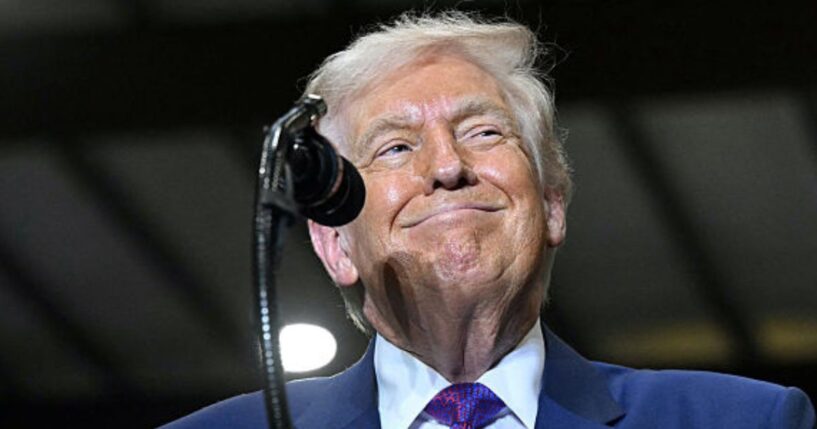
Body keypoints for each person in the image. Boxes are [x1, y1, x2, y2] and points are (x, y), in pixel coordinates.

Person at [163, 12, 815, 429]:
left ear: (552, 204)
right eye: (395, 146)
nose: (447, 166)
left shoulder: (739, 418)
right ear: (335, 242)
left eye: (483, 131)